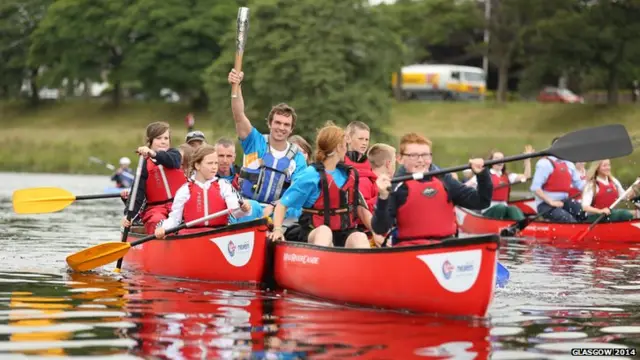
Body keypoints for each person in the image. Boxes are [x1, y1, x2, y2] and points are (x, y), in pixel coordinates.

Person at [371, 133, 492, 246]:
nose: (420, 160)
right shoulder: (395, 187)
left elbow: (481, 201)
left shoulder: (445, 180)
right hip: (411, 250)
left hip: (446, 247)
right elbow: (380, 229)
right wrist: (383, 198)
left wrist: (482, 175)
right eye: (413, 155)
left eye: (425, 155)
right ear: (400, 159)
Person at [269, 123, 372, 249]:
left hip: (343, 232)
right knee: (324, 232)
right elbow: (282, 204)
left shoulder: (347, 175)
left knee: (359, 237)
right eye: (345, 145)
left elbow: (361, 209)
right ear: (338, 147)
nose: (346, 149)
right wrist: (278, 229)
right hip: (313, 231)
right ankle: (321, 265)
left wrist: (379, 233)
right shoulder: (310, 175)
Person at [228, 69, 307, 206]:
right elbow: (239, 115)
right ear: (270, 123)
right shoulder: (254, 141)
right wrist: (236, 86)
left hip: (278, 213)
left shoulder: (298, 158)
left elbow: (298, 192)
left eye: (286, 125)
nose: (281, 128)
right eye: (277, 122)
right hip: (249, 208)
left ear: (291, 129)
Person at [154, 145, 252, 238]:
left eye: (216, 163)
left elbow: (235, 211)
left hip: (218, 234)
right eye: (210, 163)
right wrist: (162, 228)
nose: (214, 167)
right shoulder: (185, 190)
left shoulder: (224, 185)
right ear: (197, 165)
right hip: (192, 237)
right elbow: (174, 220)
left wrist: (244, 209)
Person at [122, 121, 185, 234]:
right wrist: (128, 215)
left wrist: (153, 154)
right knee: (155, 221)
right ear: (150, 141)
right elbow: (137, 193)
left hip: (179, 205)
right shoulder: (144, 164)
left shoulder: (174, 155)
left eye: (166, 138)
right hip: (156, 208)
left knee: (191, 217)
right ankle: (163, 243)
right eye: (159, 138)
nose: (163, 141)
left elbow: (171, 161)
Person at [465, 145, 533, 220]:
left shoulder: (508, 176)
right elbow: (464, 187)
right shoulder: (483, 176)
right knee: (501, 208)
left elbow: (526, 177)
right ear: (491, 161)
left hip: (504, 207)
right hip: (488, 209)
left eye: (502, 159)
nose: (500, 161)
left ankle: (522, 225)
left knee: (513, 208)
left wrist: (527, 160)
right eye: (497, 159)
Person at [529, 137, 586, 223]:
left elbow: (580, 184)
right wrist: (551, 202)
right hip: (546, 204)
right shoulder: (544, 163)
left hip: (564, 201)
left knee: (584, 214)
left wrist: (594, 186)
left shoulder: (569, 164)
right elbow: (535, 188)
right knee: (569, 220)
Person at [365, 143, 397, 246]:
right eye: (394, 162)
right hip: (374, 237)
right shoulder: (365, 183)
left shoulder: (363, 182)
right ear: (388, 164)